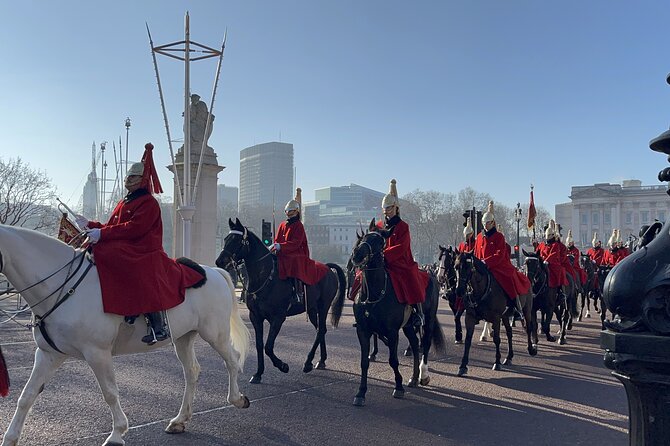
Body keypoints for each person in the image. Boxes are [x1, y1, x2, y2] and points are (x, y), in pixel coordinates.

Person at [76, 143, 204, 345]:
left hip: (144, 249)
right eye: (128, 177)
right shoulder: (125, 201)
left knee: (135, 267)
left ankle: (158, 326)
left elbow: (134, 228)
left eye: (133, 177)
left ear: (142, 179)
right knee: (99, 249)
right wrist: (90, 225)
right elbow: (113, 226)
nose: (128, 180)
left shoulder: (149, 203)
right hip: (129, 245)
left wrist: (101, 233)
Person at [377, 179, 430, 327]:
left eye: (389, 208)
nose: (386, 211)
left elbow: (402, 246)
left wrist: (385, 255)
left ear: (395, 208)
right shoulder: (380, 226)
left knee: (411, 278)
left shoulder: (403, 226)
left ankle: (417, 312)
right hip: (382, 261)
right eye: (384, 208)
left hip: (401, 262)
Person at [473, 201, 529, 325]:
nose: (485, 225)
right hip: (482, 267)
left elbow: (499, 255)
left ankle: (516, 307)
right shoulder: (479, 238)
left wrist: (486, 261)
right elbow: (476, 253)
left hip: (497, 266)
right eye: (484, 223)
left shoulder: (499, 237)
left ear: (492, 223)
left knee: (509, 280)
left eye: (487, 223)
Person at [271, 188, 329, 306]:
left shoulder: (299, 226)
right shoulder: (282, 224)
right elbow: (277, 239)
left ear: (296, 211)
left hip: (296, 252)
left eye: (291, 211)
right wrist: (275, 246)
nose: (289, 213)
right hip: (283, 252)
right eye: (288, 211)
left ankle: (298, 292)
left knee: (295, 261)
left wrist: (280, 246)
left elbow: (296, 243)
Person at [535, 220, 569, 301]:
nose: (547, 238)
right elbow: (537, 252)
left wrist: (547, 260)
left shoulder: (556, 245)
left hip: (553, 264)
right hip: (542, 263)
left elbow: (553, 254)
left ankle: (560, 291)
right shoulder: (542, 245)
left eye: (549, 236)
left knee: (559, 272)